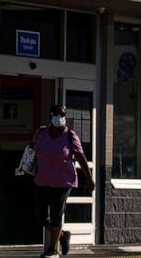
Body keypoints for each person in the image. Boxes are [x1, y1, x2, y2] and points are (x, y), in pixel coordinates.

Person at [32, 104, 95, 258]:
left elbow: (80, 156)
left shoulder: (70, 135)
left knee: (56, 215)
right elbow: (32, 147)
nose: (59, 118)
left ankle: (53, 249)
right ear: (51, 116)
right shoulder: (41, 132)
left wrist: (89, 178)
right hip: (43, 179)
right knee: (40, 214)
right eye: (56, 115)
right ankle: (62, 235)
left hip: (63, 181)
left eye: (62, 115)